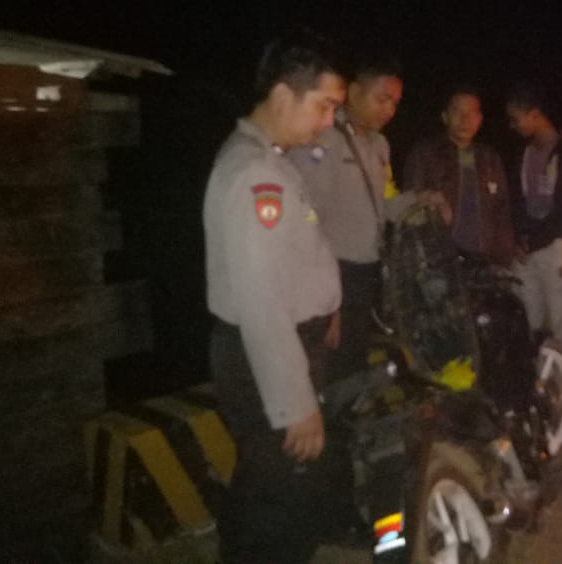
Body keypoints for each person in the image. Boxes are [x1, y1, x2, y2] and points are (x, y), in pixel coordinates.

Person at [204, 30, 346, 563]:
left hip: (281, 342)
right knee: (273, 496)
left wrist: (326, 306)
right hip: (266, 352)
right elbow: (261, 300)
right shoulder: (255, 174)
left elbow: (290, 258)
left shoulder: (270, 157)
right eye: (324, 105)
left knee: (277, 485)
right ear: (284, 95)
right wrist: (295, 403)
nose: (329, 120)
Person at [287, 55, 447, 380]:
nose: (390, 109)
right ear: (354, 92)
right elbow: (305, 217)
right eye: (382, 98)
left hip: (366, 272)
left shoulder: (380, 146)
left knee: (354, 363)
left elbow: (383, 203)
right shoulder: (324, 139)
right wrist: (325, 297)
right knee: (328, 369)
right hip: (333, 271)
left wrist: (421, 201)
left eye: (396, 102)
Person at [505, 83, 562, 359]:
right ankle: (536, 377)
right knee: (529, 318)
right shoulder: (524, 153)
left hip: (557, 243)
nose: (512, 125)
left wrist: (532, 241)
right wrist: (518, 238)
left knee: (560, 321)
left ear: (535, 114)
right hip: (529, 244)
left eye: (515, 118)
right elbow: (517, 200)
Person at [403, 86, 515, 264]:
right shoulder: (425, 153)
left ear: (480, 119)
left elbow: (502, 211)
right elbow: (409, 204)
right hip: (438, 257)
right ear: (445, 117)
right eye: (458, 112)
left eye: (471, 113)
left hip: (482, 257)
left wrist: (503, 257)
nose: (465, 119)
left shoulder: (489, 158)